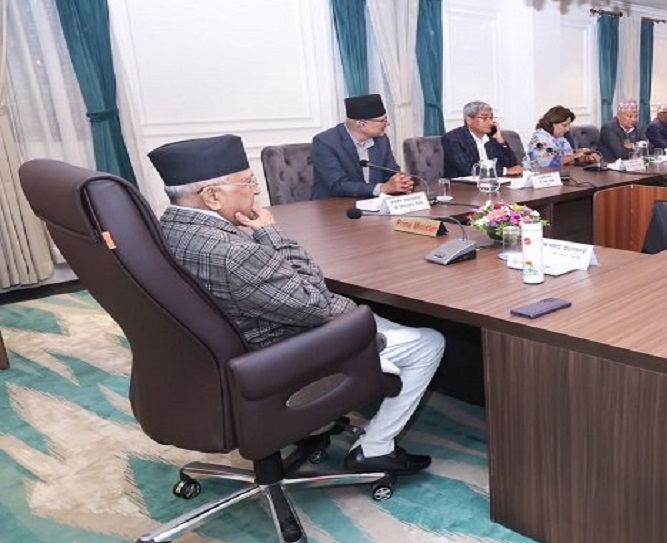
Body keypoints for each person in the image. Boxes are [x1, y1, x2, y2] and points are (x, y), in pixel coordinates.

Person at [148, 134, 445, 474]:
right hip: (282, 354)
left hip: (217, 362)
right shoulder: (233, 253)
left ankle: (316, 421)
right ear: (212, 196)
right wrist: (270, 232)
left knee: (366, 312)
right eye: (248, 183)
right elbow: (316, 303)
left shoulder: (166, 230)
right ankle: (376, 448)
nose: (256, 192)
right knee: (429, 342)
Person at [311, 94, 414, 199]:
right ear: (362, 124)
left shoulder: (381, 139)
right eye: (382, 120)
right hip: (334, 204)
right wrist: (382, 188)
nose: (387, 124)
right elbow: (338, 185)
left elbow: (391, 172)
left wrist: (401, 181)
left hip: (373, 203)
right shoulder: (325, 142)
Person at [442, 101, 523, 179]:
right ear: (469, 120)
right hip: (462, 186)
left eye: (491, 118)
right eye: (484, 118)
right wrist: (504, 171)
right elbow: (467, 170)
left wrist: (500, 141)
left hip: (494, 183)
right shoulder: (453, 138)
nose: (490, 122)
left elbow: (513, 165)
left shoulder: (492, 137)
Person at [526, 105, 600, 167]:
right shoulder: (539, 139)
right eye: (564, 125)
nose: (567, 129)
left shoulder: (561, 138)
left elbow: (568, 157)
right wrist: (574, 156)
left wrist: (587, 158)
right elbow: (547, 162)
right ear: (552, 124)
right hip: (541, 176)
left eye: (569, 125)